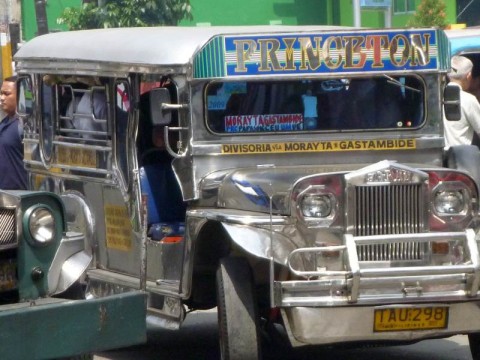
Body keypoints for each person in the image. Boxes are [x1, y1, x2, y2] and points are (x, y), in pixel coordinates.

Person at [443, 55, 480, 148]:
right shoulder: (469, 100)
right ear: (469, 75)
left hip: (439, 157)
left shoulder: (436, 97)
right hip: (462, 158)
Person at [0, 76, 28, 190]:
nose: (1, 98)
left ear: (20, 96)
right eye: (1, 93)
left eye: (6, 94)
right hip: (3, 197)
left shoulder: (24, 126)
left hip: (17, 198)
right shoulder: (4, 122)